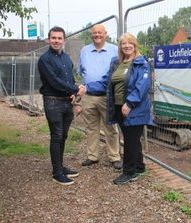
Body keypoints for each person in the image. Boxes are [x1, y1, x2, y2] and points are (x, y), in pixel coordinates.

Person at [84, 33, 153, 185]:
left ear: (135, 45)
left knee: (130, 140)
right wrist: (87, 87)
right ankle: (140, 166)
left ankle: (129, 172)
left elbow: (142, 85)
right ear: (120, 47)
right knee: (132, 138)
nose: (127, 46)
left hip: (134, 107)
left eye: (130, 43)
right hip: (119, 107)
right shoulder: (116, 63)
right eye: (123, 43)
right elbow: (105, 83)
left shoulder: (141, 63)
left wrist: (130, 103)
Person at [38, 26, 85, 186]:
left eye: (59, 38)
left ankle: (60, 166)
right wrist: (76, 89)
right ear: (48, 39)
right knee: (56, 136)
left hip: (67, 102)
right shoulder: (44, 60)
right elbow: (54, 81)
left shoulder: (66, 58)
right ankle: (57, 173)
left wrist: (74, 94)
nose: (56, 41)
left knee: (63, 136)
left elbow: (69, 79)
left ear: (64, 40)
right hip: (53, 102)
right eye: (53, 38)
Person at [78, 24, 122, 169]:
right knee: (91, 128)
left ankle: (114, 156)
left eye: (100, 33)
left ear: (105, 34)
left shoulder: (114, 50)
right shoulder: (84, 51)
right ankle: (92, 156)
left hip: (106, 96)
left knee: (111, 127)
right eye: (94, 33)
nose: (97, 35)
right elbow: (81, 71)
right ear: (92, 35)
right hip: (88, 96)